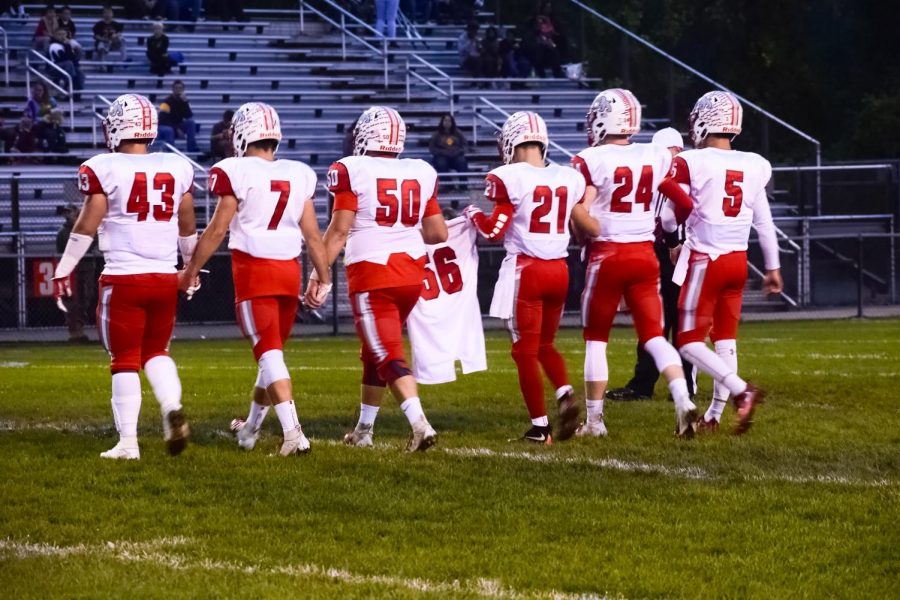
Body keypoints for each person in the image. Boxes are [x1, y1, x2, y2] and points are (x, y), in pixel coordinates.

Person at [179, 103, 332, 456]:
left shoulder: (237, 170)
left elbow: (217, 229)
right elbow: (313, 235)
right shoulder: (297, 173)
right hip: (289, 270)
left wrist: (190, 271)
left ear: (243, 134)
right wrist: (323, 279)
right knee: (270, 355)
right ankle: (249, 429)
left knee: (268, 354)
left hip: (255, 271)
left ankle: (293, 433)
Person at [52, 93, 196, 460]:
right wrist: (190, 267)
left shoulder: (105, 166)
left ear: (118, 126)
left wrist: (65, 266)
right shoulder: (175, 166)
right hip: (164, 276)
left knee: (125, 357)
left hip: (124, 278)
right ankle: (170, 406)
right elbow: (187, 221)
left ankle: (128, 443)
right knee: (157, 352)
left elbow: (88, 221)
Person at [464, 111, 599, 444]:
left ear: (511, 140)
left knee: (523, 351)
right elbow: (583, 222)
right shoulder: (568, 176)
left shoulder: (507, 175)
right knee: (545, 345)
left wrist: (473, 212)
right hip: (560, 270)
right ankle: (566, 393)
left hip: (527, 271)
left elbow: (495, 230)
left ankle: (540, 428)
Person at [571, 89, 698, 438]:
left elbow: (582, 211)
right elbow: (683, 203)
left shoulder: (590, 159)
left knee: (596, 339)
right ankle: (682, 398)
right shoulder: (655, 155)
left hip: (608, 254)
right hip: (645, 254)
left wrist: (584, 229)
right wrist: (673, 237)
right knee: (654, 336)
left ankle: (595, 422)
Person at [322, 106, 448, 451]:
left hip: (373, 273)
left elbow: (338, 231)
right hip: (411, 274)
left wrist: (319, 275)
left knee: (387, 352)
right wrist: (399, 228)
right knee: (373, 352)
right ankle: (364, 430)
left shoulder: (352, 169)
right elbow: (437, 233)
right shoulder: (420, 170)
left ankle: (420, 425)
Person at [656, 91, 782, 435]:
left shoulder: (692, 161)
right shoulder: (755, 163)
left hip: (706, 259)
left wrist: (672, 241)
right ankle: (714, 415)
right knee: (725, 340)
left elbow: (668, 215)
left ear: (702, 122)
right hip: (738, 261)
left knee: (687, 341)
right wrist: (772, 267)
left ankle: (743, 391)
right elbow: (764, 223)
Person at [606, 127, 696, 402]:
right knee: (658, 322)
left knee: (676, 321)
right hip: (663, 250)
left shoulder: (678, 173)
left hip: (675, 250)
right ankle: (654, 384)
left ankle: (678, 384)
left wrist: (674, 243)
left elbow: (675, 215)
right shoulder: (665, 173)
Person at [55, 204, 96, 341]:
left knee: (86, 298)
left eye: (70, 212)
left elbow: (93, 243)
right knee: (72, 300)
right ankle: (74, 330)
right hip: (72, 269)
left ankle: (80, 327)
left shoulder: (85, 228)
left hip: (86, 267)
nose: (67, 215)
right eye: (66, 212)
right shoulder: (63, 232)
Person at [157, 80, 198, 153]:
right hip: (164, 126)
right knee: (169, 130)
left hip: (177, 125)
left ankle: (191, 147)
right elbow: (162, 120)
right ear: (173, 89)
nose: (178, 90)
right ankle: (171, 152)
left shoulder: (183, 101)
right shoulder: (166, 102)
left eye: (180, 88)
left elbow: (189, 116)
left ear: (183, 90)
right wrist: (177, 129)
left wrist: (185, 103)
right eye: (176, 88)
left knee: (191, 123)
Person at [429, 114, 468, 182]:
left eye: (449, 121)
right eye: (445, 121)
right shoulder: (437, 134)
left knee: (462, 161)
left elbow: (465, 146)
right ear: (442, 122)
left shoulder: (458, 133)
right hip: (442, 156)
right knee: (441, 163)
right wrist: (441, 152)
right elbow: (432, 148)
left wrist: (458, 152)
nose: (447, 123)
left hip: (456, 156)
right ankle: (446, 185)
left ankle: (463, 185)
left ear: (452, 122)